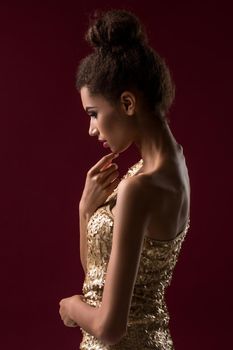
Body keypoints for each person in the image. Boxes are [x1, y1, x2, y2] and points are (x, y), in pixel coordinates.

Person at [59, 9, 191, 349]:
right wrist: (85, 212)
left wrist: (72, 307)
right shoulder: (173, 164)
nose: (91, 129)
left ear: (128, 102)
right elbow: (101, 279)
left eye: (94, 114)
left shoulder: (138, 187)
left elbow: (109, 326)